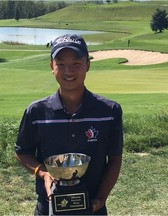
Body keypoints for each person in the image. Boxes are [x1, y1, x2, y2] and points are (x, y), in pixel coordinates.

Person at [15, 34, 123, 215]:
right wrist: (43, 173)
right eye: (61, 64)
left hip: (92, 208)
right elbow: (22, 151)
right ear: (51, 67)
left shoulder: (109, 111)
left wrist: (100, 199)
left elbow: (114, 159)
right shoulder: (36, 112)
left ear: (88, 65)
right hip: (48, 207)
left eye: (76, 64)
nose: (68, 71)